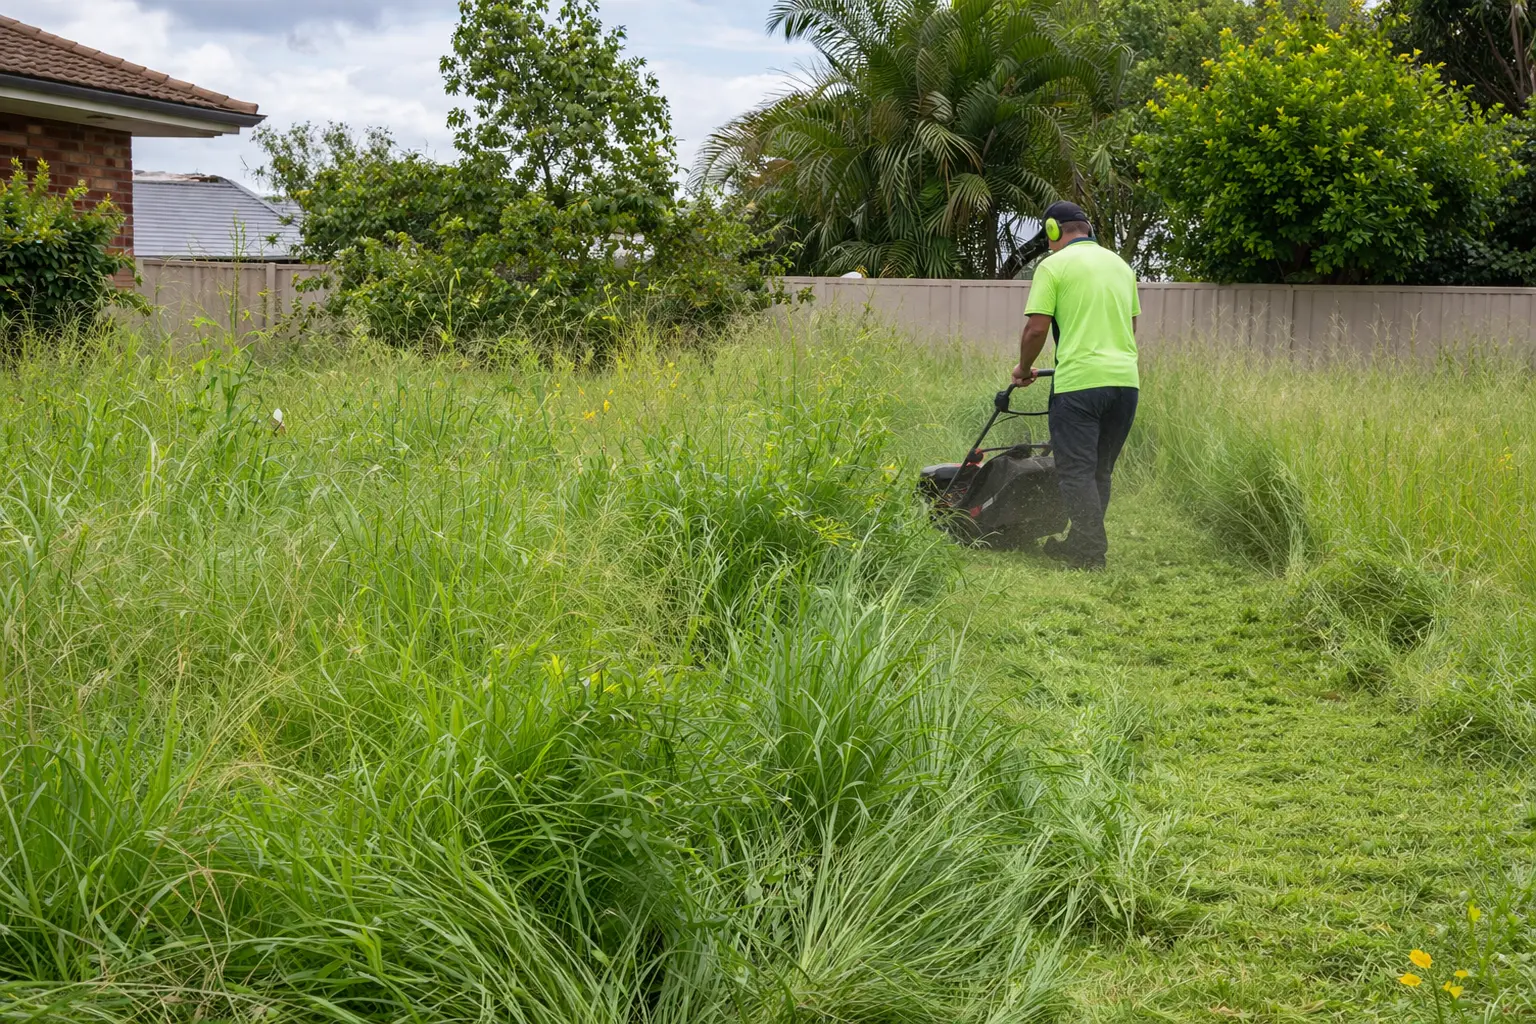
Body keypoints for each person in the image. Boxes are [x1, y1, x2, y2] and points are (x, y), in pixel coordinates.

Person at [1012, 200, 1140, 571]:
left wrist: (1023, 369)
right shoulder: (1120, 266)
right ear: (1087, 228)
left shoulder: (1052, 266)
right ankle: (1081, 544)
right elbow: (1128, 329)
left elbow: (1036, 328)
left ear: (1053, 230)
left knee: (1076, 471)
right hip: (1125, 384)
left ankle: (1089, 553)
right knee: (1100, 470)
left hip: (1079, 385)